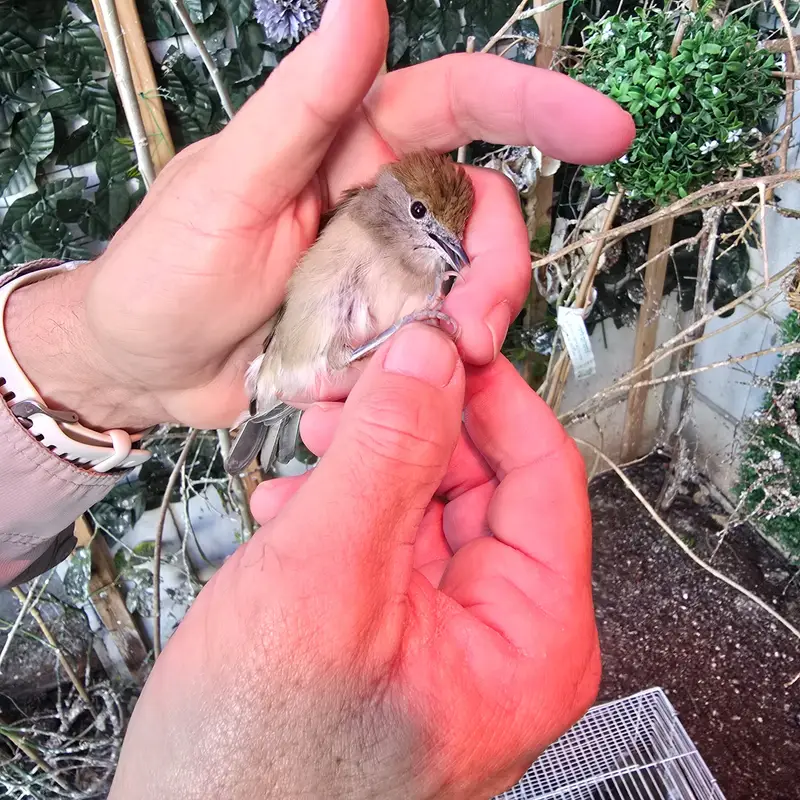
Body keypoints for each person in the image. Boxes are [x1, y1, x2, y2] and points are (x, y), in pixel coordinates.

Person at [0, 0, 634, 796]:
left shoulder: (436, 260)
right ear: (390, 198)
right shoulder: (359, 216)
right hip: (293, 358)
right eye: (422, 216)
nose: (441, 242)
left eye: (447, 232)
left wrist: (100, 369)